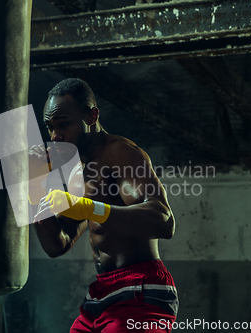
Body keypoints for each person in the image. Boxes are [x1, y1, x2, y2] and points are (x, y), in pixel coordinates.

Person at [28, 78, 178, 333]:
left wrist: (89, 209)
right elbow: (58, 244)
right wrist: (34, 189)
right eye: (50, 128)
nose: (56, 136)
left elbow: (164, 221)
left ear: (92, 115)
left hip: (140, 289)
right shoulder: (76, 170)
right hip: (101, 294)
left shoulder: (120, 153)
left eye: (64, 124)